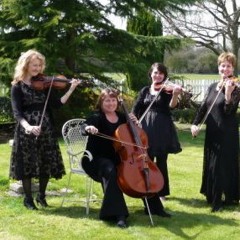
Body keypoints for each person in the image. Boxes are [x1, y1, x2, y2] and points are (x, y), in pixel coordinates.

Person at [81, 88, 171, 229]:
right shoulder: (96, 117)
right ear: (101, 102)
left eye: (113, 100)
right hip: (98, 159)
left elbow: (137, 137)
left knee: (143, 169)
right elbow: (84, 126)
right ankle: (119, 215)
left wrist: (136, 125)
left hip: (122, 158)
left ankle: (155, 208)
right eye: (107, 100)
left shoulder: (123, 117)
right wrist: (88, 128)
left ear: (117, 102)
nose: (111, 103)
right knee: (111, 171)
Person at [10, 49, 80, 210]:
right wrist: (28, 127)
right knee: (27, 164)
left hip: (45, 128)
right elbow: (17, 113)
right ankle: (28, 199)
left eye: (40, 65)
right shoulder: (17, 86)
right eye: (35, 65)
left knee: (45, 163)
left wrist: (71, 88)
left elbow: (57, 104)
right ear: (26, 65)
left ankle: (41, 196)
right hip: (26, 129)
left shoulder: (44, 84)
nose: (38, 68)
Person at [191, 52, 240, 212]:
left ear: (233, 68)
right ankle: (212, 195)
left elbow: (228, 111)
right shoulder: (212, 86)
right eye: (222, 65)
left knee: (221, 166)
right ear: (218, 67)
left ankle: (219, 200)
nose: (225, 68)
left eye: (228, 66)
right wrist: (195, 123)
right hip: (212, 132)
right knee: (212, 164)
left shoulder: (235, 87)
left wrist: (227, 94)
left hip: (227, 133)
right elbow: (204, 106)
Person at [132, 62, 182, 202]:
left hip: (162, 128)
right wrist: (134, 119)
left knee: (161, 161)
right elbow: (136, 108)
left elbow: (172, 106)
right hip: (146, 127)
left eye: (161, 73)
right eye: (155, 72)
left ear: (164, 76)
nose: (158, 75)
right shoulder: (145, 91)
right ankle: (147, 188)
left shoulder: (167, 90)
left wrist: (175, 95)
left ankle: (161, 192)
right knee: (146, 160)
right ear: (151, 74)